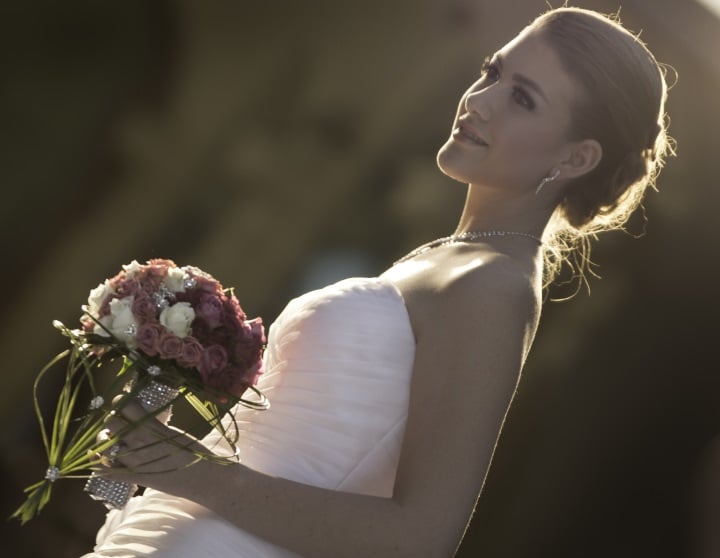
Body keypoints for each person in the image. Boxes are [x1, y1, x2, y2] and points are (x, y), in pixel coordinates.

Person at [84, 6, 673, 557]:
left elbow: (421, 534)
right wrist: (159, 418)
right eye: (492, 72)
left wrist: (191, 472)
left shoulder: (496, 287)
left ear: (575, 159)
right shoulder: (447, 259)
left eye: (521, 98)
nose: (481, 101)